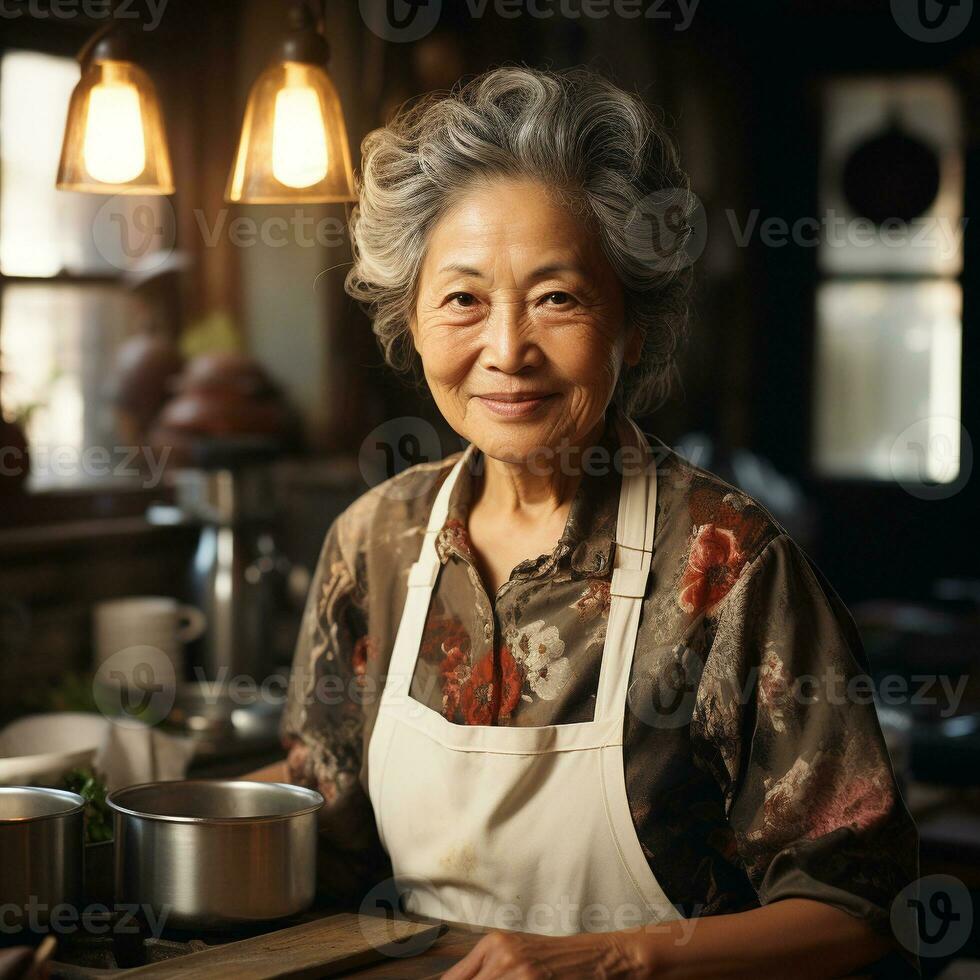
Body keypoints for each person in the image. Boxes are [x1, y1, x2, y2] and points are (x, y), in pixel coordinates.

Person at [250, 66, 920, 978]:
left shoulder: (727, 564)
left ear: (631, 326)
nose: (507, 350)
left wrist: (615, 960)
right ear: (411, 318)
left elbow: (864, 907)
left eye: (558, 297)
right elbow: (325, 837)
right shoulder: (373, 542)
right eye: (462, 299)